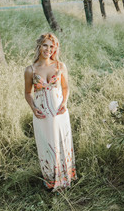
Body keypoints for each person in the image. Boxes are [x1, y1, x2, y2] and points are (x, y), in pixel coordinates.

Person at [24, 33, 77, 191]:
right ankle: (51, 180)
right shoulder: (30, 70)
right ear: (39, 46)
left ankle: (65, 177)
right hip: (42, 114)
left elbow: (66, 87)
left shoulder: (60, 66)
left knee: (62, 142)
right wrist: (33, 108)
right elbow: (27, 93)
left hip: (59, 111)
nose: (48, 49)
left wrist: (64, 102)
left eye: (52, 46)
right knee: (47, 144)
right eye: (45, 45)